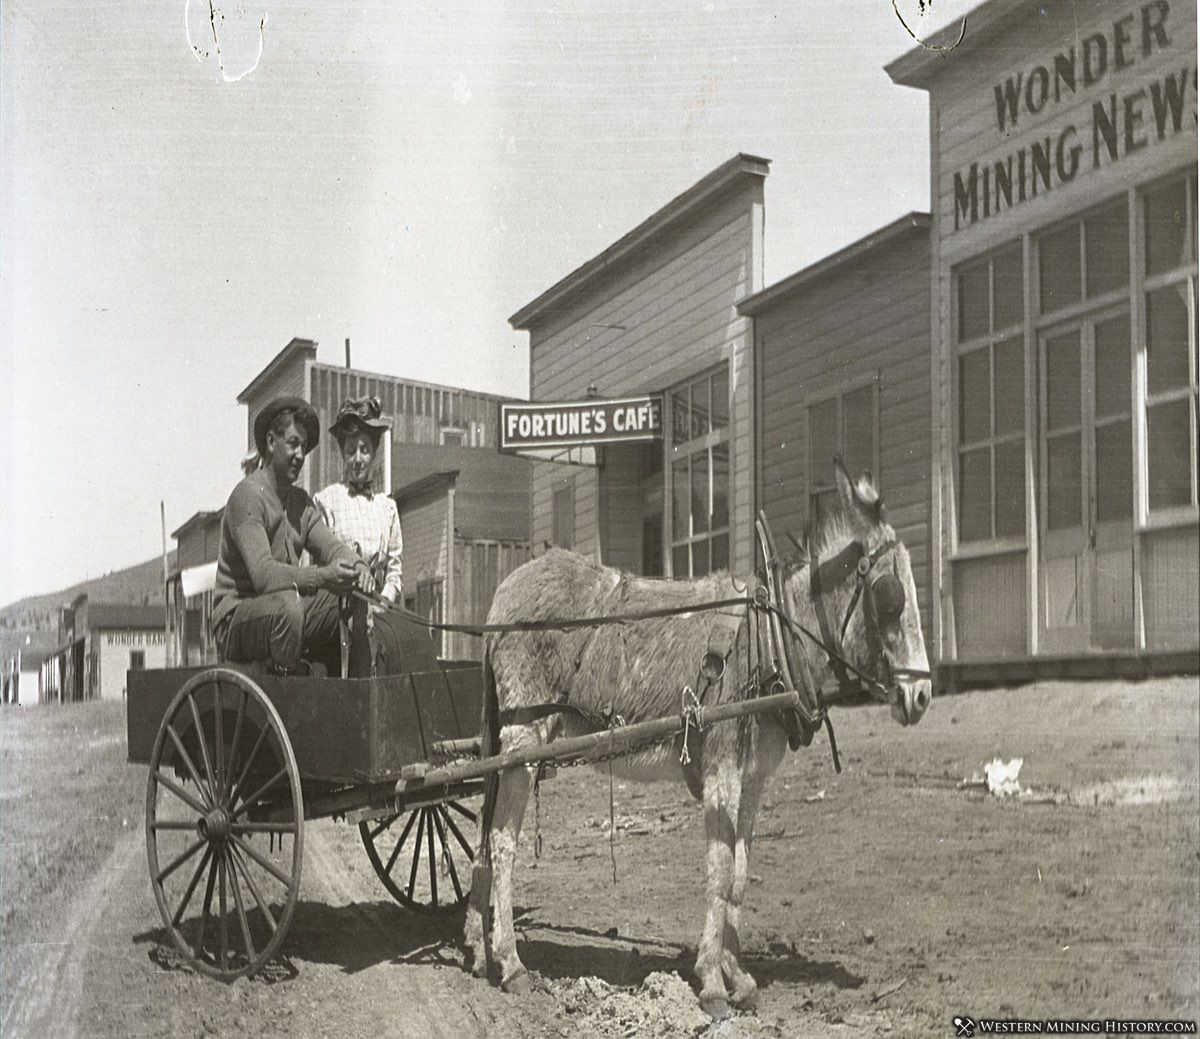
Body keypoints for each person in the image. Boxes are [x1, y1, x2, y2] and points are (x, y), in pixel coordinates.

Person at [211, 396, 366, 674]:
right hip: (237, 620)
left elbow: (331, 547)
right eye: (293, 443)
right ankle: (293, 697)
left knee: (351, 597)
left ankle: (338, 695)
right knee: (290, 606)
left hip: (282, 612)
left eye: (304, 448)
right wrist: (322, 577)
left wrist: (358, 567)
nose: (300, 455)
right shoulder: (247, 496)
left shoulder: (300, 502)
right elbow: (264, 576)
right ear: (271, 442)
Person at [314, 396, 409, 675]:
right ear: (342, 454)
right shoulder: (326, 501)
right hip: (335, 617)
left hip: (377, 617)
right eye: (351, 450)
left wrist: (383, 602)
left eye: (365, 450)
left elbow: (394, 570)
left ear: (374, 453)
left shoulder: (387, 508)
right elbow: (316, 564)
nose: (358, 459)